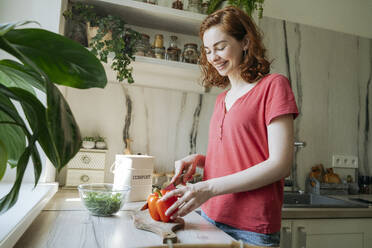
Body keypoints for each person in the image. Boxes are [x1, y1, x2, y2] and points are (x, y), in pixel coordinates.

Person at [161, 6, 299, 247]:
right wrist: (201, 160)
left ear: (245, 42)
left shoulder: (273, 86)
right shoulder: (221, 99)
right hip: (211, 217)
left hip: (252, 227)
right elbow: (240, 155)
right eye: (207, 50)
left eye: (220, 47)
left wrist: (208, 187)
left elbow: (280, 164)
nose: (213, 57)